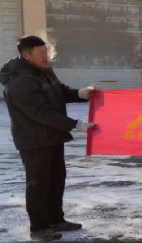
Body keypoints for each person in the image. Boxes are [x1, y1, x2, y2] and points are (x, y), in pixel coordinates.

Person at [0, 35, 97, 239]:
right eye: (41, 53)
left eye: (46, 51)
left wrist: (80, 94)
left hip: (52, 136)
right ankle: (38, 228)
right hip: (34, 140)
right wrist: (75, 124)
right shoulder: (20, 80)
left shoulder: (43, 71)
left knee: (56, 180)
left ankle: (55, 219)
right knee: (38, 183)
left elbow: (58, 91)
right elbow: (40, 113)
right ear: (27, 55)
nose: (47, 56)